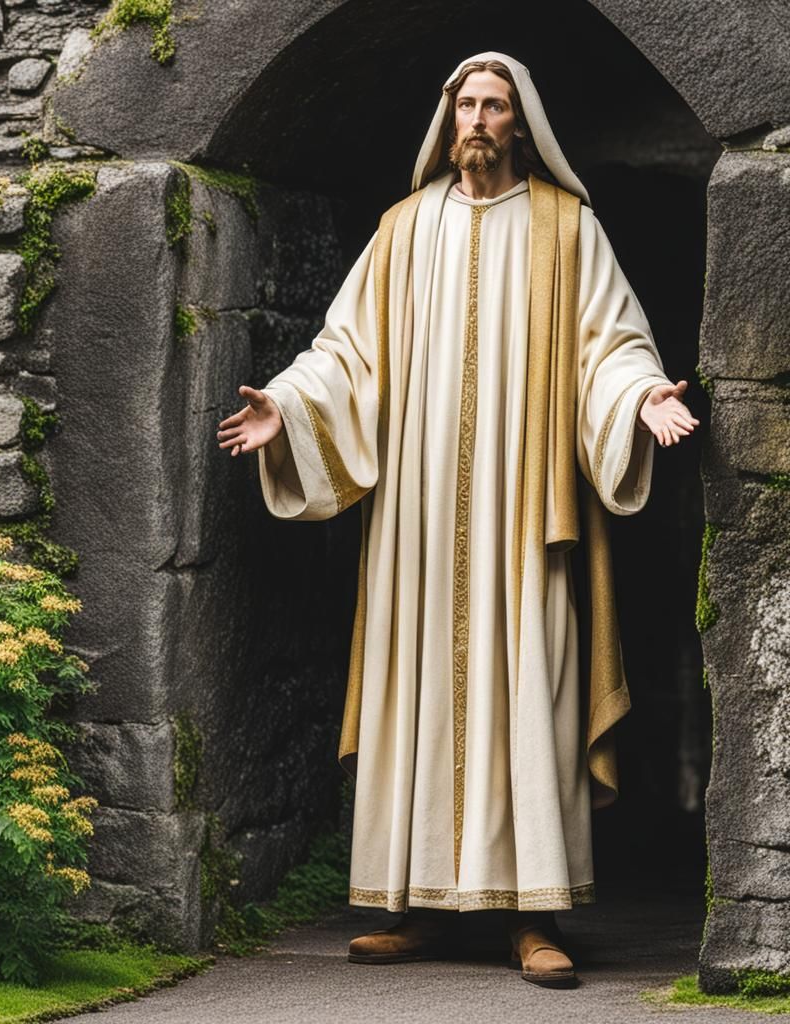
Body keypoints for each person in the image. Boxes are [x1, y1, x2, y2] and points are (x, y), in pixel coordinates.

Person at [216, 51, 698, 989]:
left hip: (527, 513)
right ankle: (417, 903)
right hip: (420, 516)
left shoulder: (568, 229)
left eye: (495, 107)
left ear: (522, 125)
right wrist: (288, 404)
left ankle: (535, 914)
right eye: (466, 104)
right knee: (419, 685)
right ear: (448, 119)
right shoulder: (401, 231)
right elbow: (344, 351)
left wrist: (639, 398)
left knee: (533, 687)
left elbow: (613, 342)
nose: (478, 119)